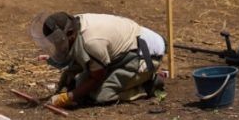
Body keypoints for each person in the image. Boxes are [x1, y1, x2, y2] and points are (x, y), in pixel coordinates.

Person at [29, 12, 166, 108]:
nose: (56, 45)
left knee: (100, 96)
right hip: (122, 51)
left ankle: (148, 85)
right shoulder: (74, 24)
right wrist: (63, 87)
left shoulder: (92, 43)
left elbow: (96, 79)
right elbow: (76, 60)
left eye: (57, 41)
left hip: (145, 54)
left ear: (70, 34)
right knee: (80, 86)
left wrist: (66, 97)